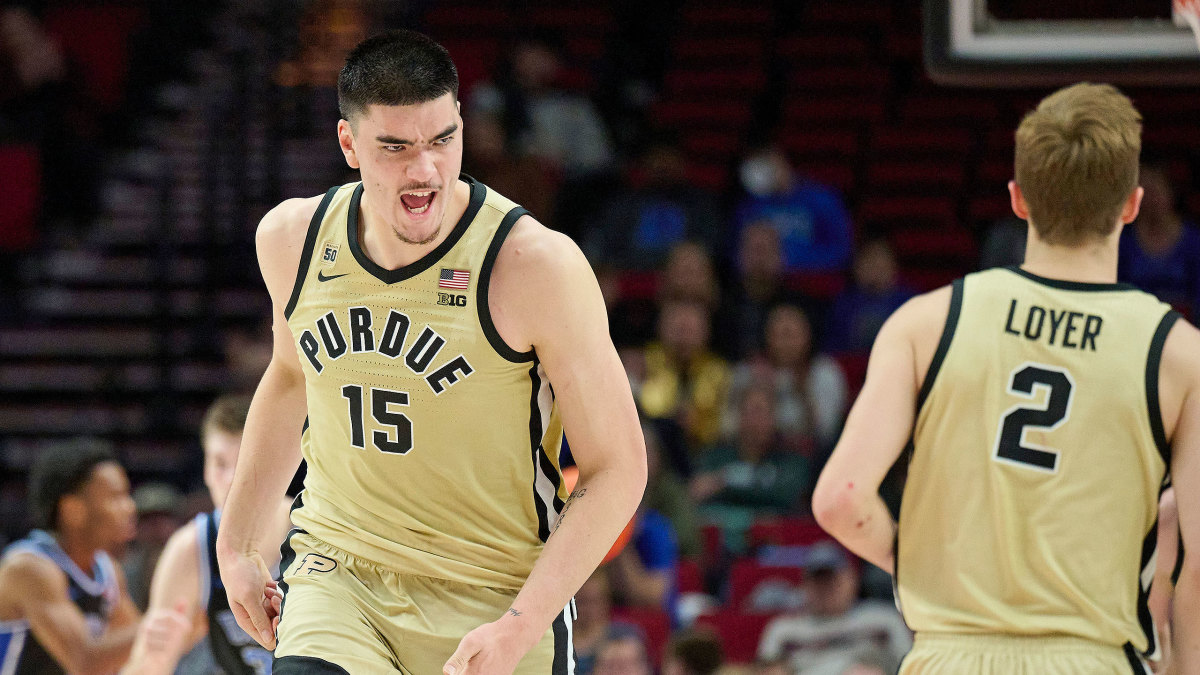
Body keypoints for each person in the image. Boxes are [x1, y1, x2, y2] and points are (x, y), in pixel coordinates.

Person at [215, 29, 646, 675]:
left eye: (442, 139)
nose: (425, 170)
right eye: (395, 147)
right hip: (342, 575)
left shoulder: (533, 265)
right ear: (349, 144)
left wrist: (518, 626)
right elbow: (290, 375)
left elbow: (618, 468)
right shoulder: (292, 238)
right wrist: (240, 543)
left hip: (495, 592)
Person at [812, 82, 1200, 673]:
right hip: (1092, 657)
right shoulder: (1178, 352)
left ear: (1018, 200)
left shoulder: (925, 322)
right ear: (1131, 205)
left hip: (949, 654)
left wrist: (918, 564)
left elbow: (840, 501)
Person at [123, 394, 292, 674]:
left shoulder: (313, 526)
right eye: (219, 463)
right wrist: (153, 660)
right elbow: (145, 665)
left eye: (243, 462)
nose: (230, 479)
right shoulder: (190, 549)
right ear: (205, 470)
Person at [0, 441, 189, 674]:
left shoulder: (107, 569)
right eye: (116, 497)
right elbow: (84, 662)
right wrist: (171, 618)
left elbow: (139, 652)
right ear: (72, 510)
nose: (130, 508)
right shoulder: (28, 568)